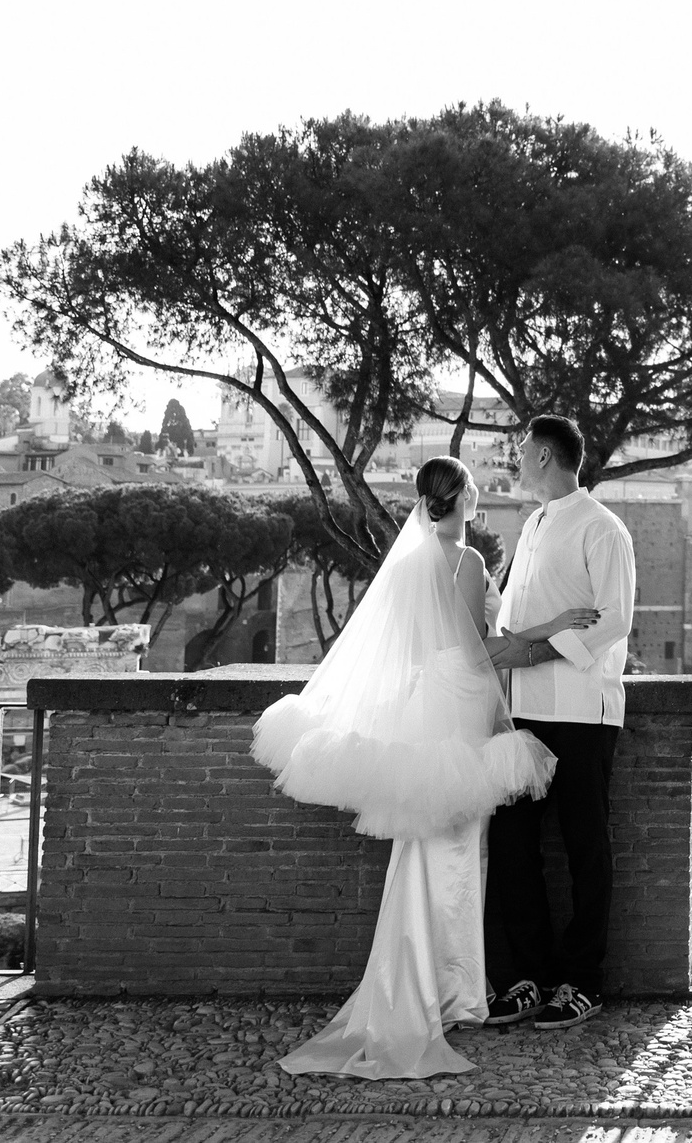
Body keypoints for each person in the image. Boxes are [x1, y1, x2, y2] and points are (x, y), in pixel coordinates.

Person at [250, 457, 595, 1079]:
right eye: (474, 487)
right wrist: (553, 627)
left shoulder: (409, 561)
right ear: (459, 497)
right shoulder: (465, 562)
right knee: (460, 846)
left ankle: (428, 983)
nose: (481, 492)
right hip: (460, 702)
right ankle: (452, 992)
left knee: (424, 844)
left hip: (426, 703)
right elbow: (477, 649)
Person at [481, 415, 636, 1032]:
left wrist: (536, 650)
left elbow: (615, 620)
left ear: (544, 455)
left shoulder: (604, 528)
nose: (516, 460)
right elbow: (516, 613)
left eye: (522, 451)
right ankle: (530, 979)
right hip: (524, 709)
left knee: (584, 846)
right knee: (516, 846)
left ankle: (583, 981)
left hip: (582, 711)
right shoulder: (535, 523)